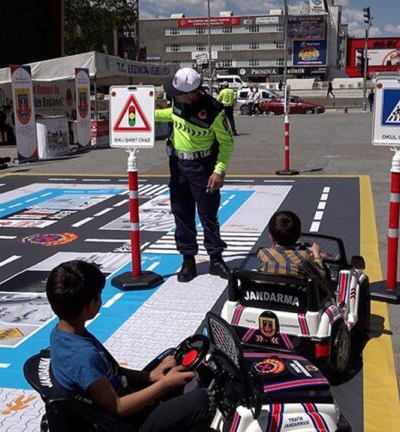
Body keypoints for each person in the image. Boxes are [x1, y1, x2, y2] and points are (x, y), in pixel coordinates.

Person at [46, 260, 214, 432]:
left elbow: (112, 370)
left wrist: (150, 377)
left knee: (171, 357)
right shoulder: (83, 355)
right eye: (98, 296)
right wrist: (165, 384)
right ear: (88, 307)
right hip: (126, 422)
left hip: (119, 395)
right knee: (203, 400)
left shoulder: (62, 333)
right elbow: (118, 407)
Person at [155, 68, 234, 282]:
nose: (174, 96)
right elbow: (169, 114)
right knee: (182, 213)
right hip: (178, 166)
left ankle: (216, 258)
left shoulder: (214, 111)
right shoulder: (178, 102)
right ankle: (188, 259)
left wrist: (219, 171)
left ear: (191, 93)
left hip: (203, 167)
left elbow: (227, 143)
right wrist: (144, 111)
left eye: (177, 93)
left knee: (208, 214)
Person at [256, 210, 327, 282]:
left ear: (271, 236)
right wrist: (316, 254)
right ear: (299, 235)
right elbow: (321, 275)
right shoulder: (303, 257)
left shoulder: (263, 253)